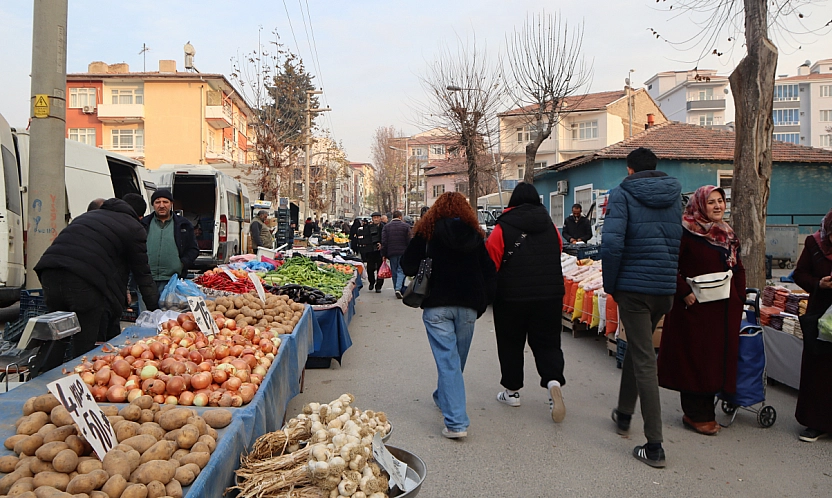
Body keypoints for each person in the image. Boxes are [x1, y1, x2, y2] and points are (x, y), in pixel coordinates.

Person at [601, 147, 683, 468]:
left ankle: (655, 444)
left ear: (630, 170)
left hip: (634, 288)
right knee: (638, 349)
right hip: (663, 288)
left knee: (646, 360)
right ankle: (623, 414)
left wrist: (612, 285)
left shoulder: (622, 194)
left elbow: (611, 243)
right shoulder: (675, 195)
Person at [401, 192, 496, 439]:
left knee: (449, 361)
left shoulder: (427, 234)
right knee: (455, 361)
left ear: (437, 210)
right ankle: (446, 401)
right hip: (467, 308)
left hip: (437, 306)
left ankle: (455, 423)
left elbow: (407, 265)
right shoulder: (475, 236)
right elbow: (489, 272)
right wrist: (483, 302)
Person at [657, 186, 746, 436]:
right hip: (693, 308)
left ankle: (707, 411)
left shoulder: (727, 234)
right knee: (695, 358)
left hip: (722, 308)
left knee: (714, 359)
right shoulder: (685, 232)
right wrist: (683, 291)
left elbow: (738, 266)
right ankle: (696, 414)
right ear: (699, 206)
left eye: (721, 201)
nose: (718, 206)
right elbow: (668, 264)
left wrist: (739, 296)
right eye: (711, 203)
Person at [35, 198, 159, 359]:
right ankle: (79, 374)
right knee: (85, 339)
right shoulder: (134, 227)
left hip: (49, 271)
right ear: (140, 217)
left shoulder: (87, 217)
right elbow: (142, 274)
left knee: (58, 334)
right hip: (84, 280)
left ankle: (45, 375)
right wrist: (156, 312)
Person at [485, 182, 567, 423]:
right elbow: (558, 253)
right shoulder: (551, 227)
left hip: (511, 297)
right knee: (548, 343)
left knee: (511, 343)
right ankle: (553, 382)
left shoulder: (502, 228)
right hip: (550, 296)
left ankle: (512, 392)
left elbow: (492, 260)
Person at [793, 209, 832, 442]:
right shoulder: (814, 244)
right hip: (821, 316)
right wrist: (820, 284)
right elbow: (800, 274)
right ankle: (815, 423)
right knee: (819, 370)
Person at [140, 189, 199, 295]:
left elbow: (193, 249)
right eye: (157, 202)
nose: (161, 205)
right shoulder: (143, 224)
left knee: (170, 311)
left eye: (165, 202)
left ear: (171, 204)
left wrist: (181, 264)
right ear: (153, 204)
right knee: (146, 311)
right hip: (147, 279)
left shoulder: (183, 225)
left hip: (172, 280)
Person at [381, 210, 412, 298]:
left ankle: (396, 288)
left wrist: (383, 254)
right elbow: (409, 240)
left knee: (394, 271)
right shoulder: (406, 226)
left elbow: (384, 241)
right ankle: (399, 288)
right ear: (400, 217)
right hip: (403, 252)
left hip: (392, 252)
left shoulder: (387, 227)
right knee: (401, 270)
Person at [356, 212, 385, 292]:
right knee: (370, 268)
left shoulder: (383, 227)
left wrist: (382, 244)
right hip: (370, 251)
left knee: (380, 269)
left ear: (380, 218)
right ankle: (371, 282)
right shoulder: (367, 227)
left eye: (377, 217)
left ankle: (378, 286)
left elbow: (386, 238)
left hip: (380, 252)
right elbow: (363, 237)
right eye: (374, 217)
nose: (376, 219)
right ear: (372, 219)